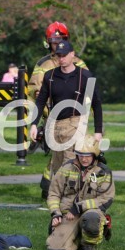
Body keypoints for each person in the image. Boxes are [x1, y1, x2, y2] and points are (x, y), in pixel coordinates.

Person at [26, 22, 88, 197]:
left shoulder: (79, 63)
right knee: (57, 156)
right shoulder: (43, 64)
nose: (57, 45)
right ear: (48, 42)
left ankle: (55, 189)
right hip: (51, 117)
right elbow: (34, 89)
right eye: (54, 41)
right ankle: (53, 189)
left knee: (69, 155)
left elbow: (88, 87)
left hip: (74, 117)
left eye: (60, 40)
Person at [30, 40, 103, 183]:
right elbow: (40, 101)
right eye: (58, 55)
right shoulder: (49, 76)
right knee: (57, 167)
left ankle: (70, 200)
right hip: (55, 125)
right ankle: (58, 200)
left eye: (64, 55)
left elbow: (97, 104)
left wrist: (98, 131)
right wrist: (33, 124)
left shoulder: (86, 76)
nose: (61, 59)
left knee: (70, 164)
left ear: (72, 55)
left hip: (76, 123)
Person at [46, 135, 114, 250]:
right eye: (81, 155)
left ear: (95, 155)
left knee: (91, 219)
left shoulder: (103, 172)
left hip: (91, 212)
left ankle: (88, 244)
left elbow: (106, 198)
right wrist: (55, 213)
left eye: (88, 156)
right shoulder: (66, 168)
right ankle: (74, 236)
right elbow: (53, 193)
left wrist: (79, 207)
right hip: (68, 215)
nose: (84, 159)